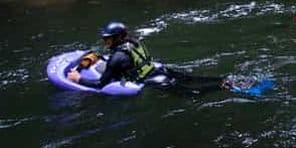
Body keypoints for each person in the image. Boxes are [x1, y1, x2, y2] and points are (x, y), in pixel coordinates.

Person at [67, 21, 249, 95]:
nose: (104, 41)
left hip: (154, 80)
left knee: (191, 93)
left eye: (107, 38)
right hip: (160, 70)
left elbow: (101, 84)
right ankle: (225, 80)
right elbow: (126, 61)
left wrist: (78, 78)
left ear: (116, 38)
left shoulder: (117, 58)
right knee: (192, 78)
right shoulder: (134, 42)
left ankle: (222, 86)